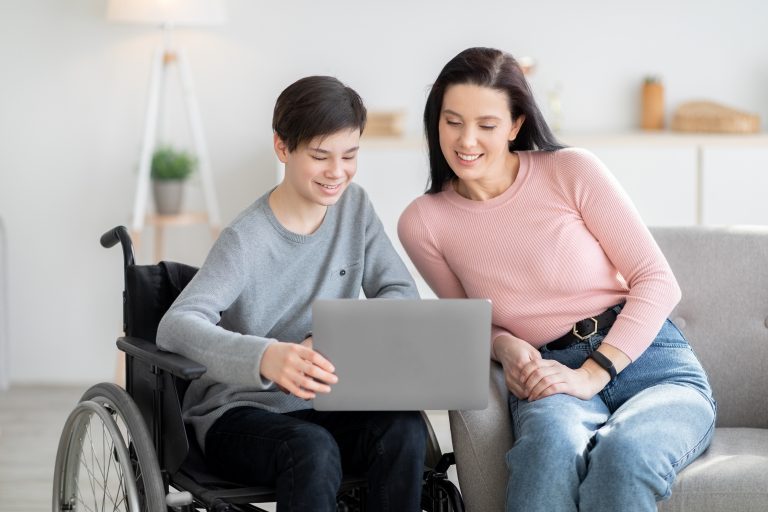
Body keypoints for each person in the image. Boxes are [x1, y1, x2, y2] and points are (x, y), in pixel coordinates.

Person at [398, 47, 716, 512]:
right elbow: (467, 321)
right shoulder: (424, 223)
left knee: (624, 457)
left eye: (486, 125)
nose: (466, 140)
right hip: (548, 373)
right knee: (546, 457)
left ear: (515, 125)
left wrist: (594, 373)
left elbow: (657, 281)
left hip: (650, 363)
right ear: (436, 122)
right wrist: (504, 346)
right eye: (453, 121)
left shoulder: (571, 170)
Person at [157, 75, 426, 512]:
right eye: (320, 156)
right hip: (240, 411)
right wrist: (266, 357)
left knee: (404, 429)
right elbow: (176, 326)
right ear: (282, 148)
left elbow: (398, 289)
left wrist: (350, 336)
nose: (337, 172)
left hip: (329, 399)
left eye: (349, 156)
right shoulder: (245, 239)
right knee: (311, 448)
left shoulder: (355, 209)